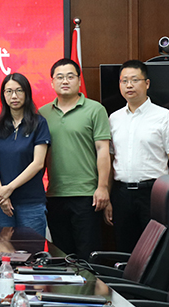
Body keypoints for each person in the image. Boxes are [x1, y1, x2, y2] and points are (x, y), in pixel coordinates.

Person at [39, 58, 110, 261]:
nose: (65, 81)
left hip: (87, 195)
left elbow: (103, 150)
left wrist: (103, 187)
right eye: (60, 77)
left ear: (79, 81)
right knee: (63, 257)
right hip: (54, 194)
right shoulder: (43, 113)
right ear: (52, 82)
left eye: (70, 76)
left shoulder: (95, 109)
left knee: (88, 256)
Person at [107, 59, 169, 252]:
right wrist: (108, 196)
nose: (129, 85)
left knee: (155, 250)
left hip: (153, 192)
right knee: (125, 250)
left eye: (135, 80)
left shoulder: (164, 116)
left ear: (147, 83)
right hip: (121, 193)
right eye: (124, 81)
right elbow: (111, 159)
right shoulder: (114, 118)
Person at [0, 73, 50, 237]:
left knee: (31, 250)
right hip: (3, 203)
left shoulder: (39, 123)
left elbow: (38, 163)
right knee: (3, 249)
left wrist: (9, 189)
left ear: (27, 93)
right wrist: (1, 194)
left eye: (19, 91)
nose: (14, 96)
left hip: (31, 202)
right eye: (9, 91)